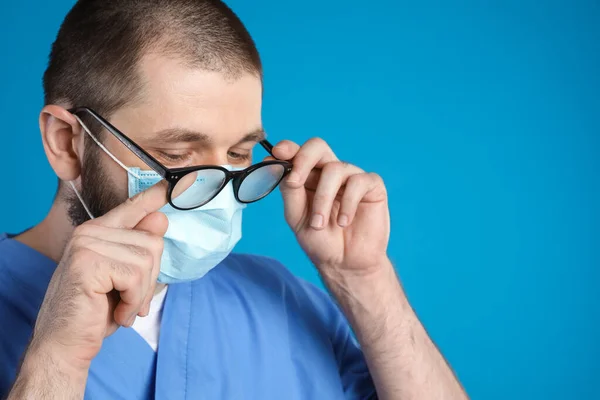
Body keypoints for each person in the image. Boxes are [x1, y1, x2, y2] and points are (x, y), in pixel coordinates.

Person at [0, 1, 468, 399]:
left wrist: (364, 279)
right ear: (67, 142)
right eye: (179, 154)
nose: (219, 191)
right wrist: (55, 361)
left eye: (240, 153)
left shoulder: (279, 298)